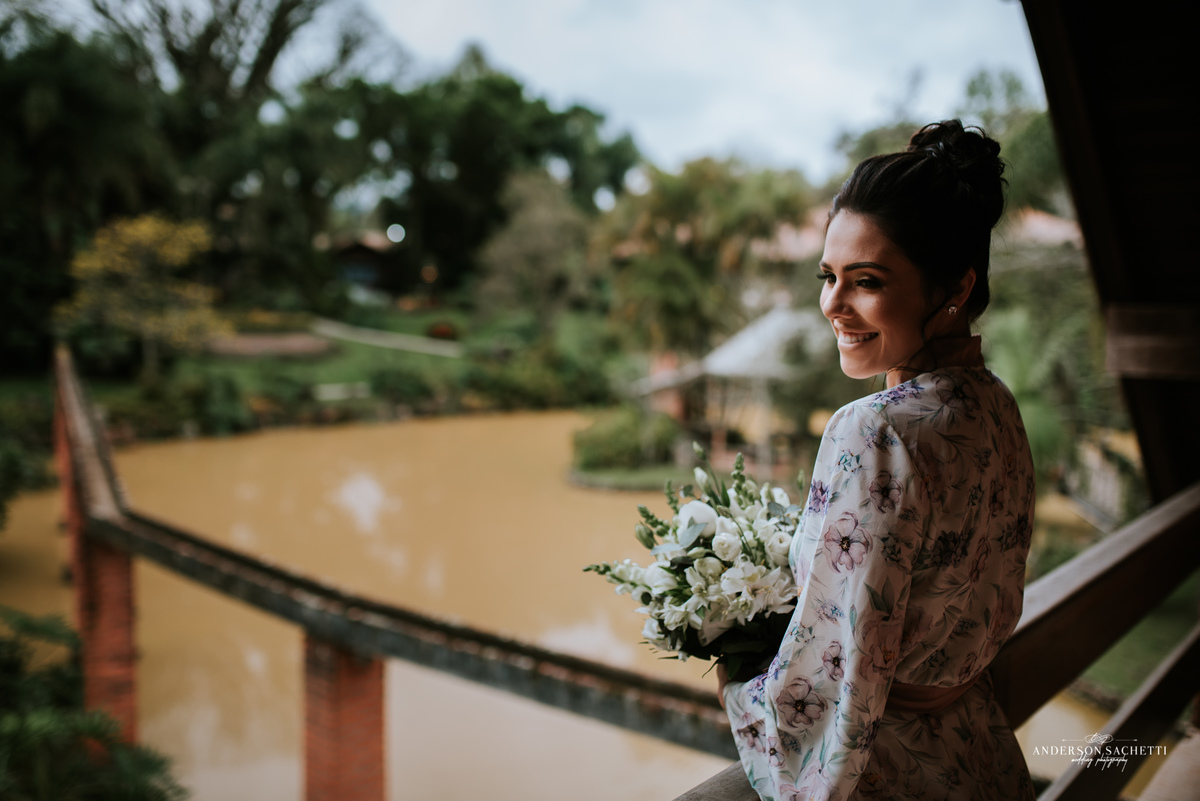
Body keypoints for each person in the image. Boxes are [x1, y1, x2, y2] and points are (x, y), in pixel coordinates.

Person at [718, 120, 1037, 801]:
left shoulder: (875, 432)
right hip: (979, 750)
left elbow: (830, 680)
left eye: (865, 280)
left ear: (954, 287)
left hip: (893, 773)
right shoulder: (996, 404)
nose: (834, 304)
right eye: (828, 276)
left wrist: (736, 682)